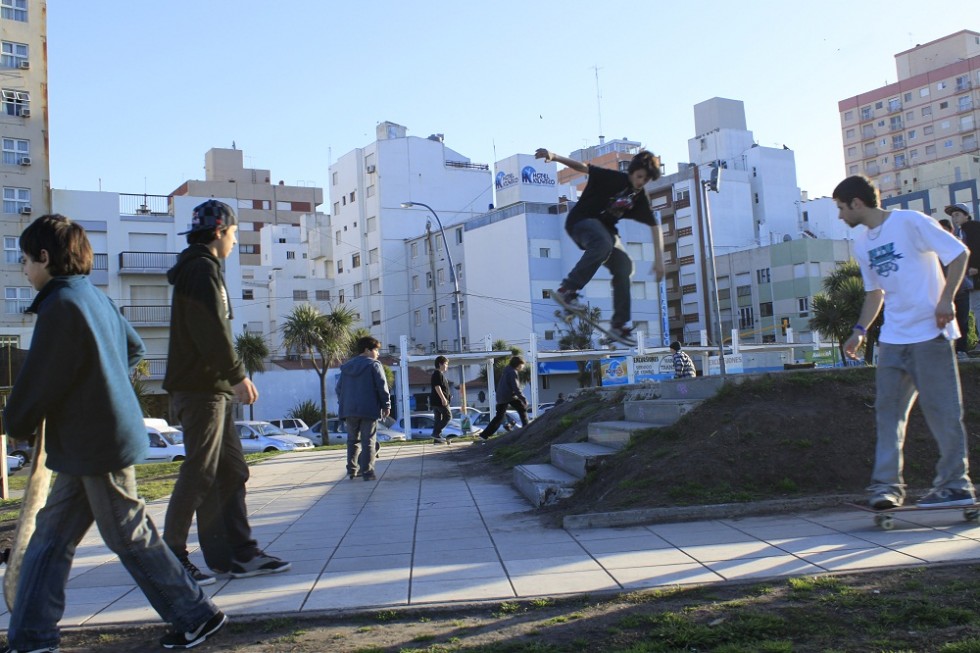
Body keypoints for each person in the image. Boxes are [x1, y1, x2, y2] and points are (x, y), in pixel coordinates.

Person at [2, 215, 226, 651]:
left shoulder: (60, 304)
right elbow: (134, 347)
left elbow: (39, 379)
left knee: (128, 533)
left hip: (96, 442)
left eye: (26, 261)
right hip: (92, 440)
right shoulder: (94, 298)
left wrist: (16, 424)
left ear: (45, 258)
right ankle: (31, 636)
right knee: (51, 537)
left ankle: (197, 615)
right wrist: (103, 382)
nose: (24, 270)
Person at [163, 200, 290, 583]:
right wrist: (237, 374)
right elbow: (211, 329)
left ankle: (236, 554)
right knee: (199, 472)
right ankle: (170, 557)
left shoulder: (202, 268)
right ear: (219, 232)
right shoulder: (202, 269)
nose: (234, 243)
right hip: (200, 389)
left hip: (209, 388)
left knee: (231, 470)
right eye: (234, 235)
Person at [835, 176, 975, 510]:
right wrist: (859, 330)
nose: (840, 215)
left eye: (841, 207)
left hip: (931, 333)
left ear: (857, 203)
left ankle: (956, 484)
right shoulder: (862, 244)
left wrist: (946, 300)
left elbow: (959, 254)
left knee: (943, 412)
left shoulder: (910, 222)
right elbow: (875, 293)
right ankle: (886, 487)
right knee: (888, 414)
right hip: (894, 339)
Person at [534, 147, 666, 342]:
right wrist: (554, 156)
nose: (640, 183)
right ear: (632, 172)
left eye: (645, 180)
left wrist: (660, 260)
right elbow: (583, 167)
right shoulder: (614, 178)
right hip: (581, 222)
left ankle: (618, 325)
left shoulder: (639, 198)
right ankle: (568, 289)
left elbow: (655, 227)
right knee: (603, 244)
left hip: (606, 232)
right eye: (639, 177)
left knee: (625, 266)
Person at [337, 335, 391, 480]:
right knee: (368, 441)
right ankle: (367, 472)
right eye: (376, 350)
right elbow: (382, 387)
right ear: (367, 350)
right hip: (368, 409)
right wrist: (386, 405)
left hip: (349, 410)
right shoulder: (374, 365)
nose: (378, 354)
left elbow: (338, 388)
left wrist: (345, 402)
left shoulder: (346, 367)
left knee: (352, 441)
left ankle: (352, 470)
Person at [945, 202, 980, 347]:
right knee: (976, 308)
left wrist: (976, 266)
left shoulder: (970, 228)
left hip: (975, 276)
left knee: (977, 308)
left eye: (958, 214)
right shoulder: (962, 231)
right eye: (953, 216)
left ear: (967, 215)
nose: (955, 218)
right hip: (972, 278)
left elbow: (976, 247)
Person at [938, 218, 972, 359]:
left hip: (961, 290)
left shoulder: (957, 243)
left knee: (962, 321)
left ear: (950, 230)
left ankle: (962, 350)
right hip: (944, 292)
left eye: (945, 230)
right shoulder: (935, 248)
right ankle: (950, 352)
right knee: (947, 323)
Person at [479, 356, 530, 441]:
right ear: (518, 364)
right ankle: (527, 427)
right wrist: (523, 398)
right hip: (509, 396)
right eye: (522, 365)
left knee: (499, 417)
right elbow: (516, 388)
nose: (523, 366)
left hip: (501, 396)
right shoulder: (513, 372)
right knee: (522, 409)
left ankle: (484, 435)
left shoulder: (507, 370)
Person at [429, 355, 451, 444]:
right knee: (448, 416)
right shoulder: (437, 374)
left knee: (437, 419)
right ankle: (436, 433)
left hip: (436, 401)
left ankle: (437, 439)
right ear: (440, 364)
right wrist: (443, 399)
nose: (447, 366)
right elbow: (437, 387)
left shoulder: (439, 374)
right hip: (439, 402)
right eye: (446, 364)